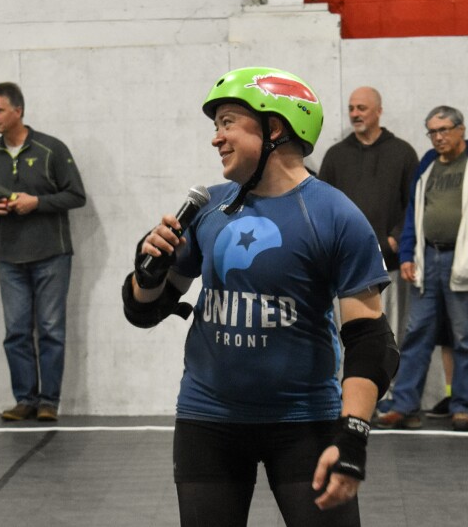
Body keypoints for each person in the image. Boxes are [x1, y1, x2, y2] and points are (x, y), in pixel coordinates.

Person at [122, 67, 398, 527]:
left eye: (228, 122)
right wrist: (147, 268)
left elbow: (371, 341)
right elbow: (144, 311)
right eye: (216, 127)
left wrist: (352, 435)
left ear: (274, 128)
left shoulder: (334, 215)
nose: (217, 138)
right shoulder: (208, 207)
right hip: (207, 419)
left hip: (304, 423)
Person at [375, 106, 468, 432]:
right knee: (416, 334)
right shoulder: (427, 165)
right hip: (427, 260)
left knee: (465, 337)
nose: (438, 137)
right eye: (432, 132)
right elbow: (413, 214)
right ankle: (404, 406)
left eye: (444, 130)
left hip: (464, 262)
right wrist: (407, 255)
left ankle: (463, 406)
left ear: (461, 129)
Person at [0, 82, 86, 422]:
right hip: (9, 258)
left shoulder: (51, 149)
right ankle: (25, 399)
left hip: (52, 254)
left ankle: (49, 401)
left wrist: (37, 203)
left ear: (18, 111)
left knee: (51, 330)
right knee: (16, 332)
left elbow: (76, 196)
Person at [319, 87, 418, 345]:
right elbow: (322, 205)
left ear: (379, 111)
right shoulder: (336, 156)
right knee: (350, 339)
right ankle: (349, 387)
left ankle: (392, 387)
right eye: (351, 108)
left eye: (361, 108)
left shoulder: (402, 153)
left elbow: (416, 203)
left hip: (389, 265)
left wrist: (396, 238)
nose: (354, 114)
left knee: (391, 336)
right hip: (345, 267)